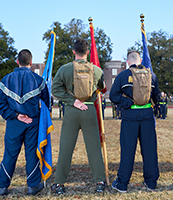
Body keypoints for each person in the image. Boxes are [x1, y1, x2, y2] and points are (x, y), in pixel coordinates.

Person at [51, 39, 106, 194]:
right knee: (94, 148)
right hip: (89, 110)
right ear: (87, 52)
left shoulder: (64, 69)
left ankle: (59, 184)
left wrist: (72, 101)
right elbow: (102, 87)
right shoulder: (96, 70)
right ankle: (100, 182)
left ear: (74, 52)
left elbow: (55, 89)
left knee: (66, 148)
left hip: (71, 111)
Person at [0, 49, 49, 196]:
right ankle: (32, 186)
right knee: (31, 153)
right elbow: (46, 105)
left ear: (17, 62)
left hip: (13, 123)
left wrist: (16, 115)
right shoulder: (39, 81)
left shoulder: (6, 80)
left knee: (10, 154)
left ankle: (2, 186)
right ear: (31, 63)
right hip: (33, 122)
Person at [109, 50, 160, 192]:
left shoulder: (123, 75)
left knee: (128, 150)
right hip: (147, 115)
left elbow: (113, 96)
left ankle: (122, 184)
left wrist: (128, 103)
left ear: (128, 61)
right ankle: (151, 183)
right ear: (141, 60)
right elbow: (157, 97)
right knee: (149, 150)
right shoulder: (152, 76)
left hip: (130, 115)